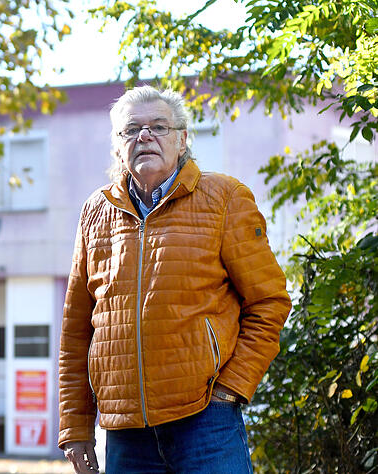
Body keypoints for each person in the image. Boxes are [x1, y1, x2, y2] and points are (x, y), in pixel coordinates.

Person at [58, 86, 291, 473]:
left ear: (182, 140)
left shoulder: (225, 198)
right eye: (131, 129)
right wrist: (75, 425)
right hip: (124, 431)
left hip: (206, 421)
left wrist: (232, 388)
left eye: (158, 127)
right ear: (117, 146)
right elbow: (76, 329)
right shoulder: (95, 212)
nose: (144, 136)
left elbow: (269, 303)